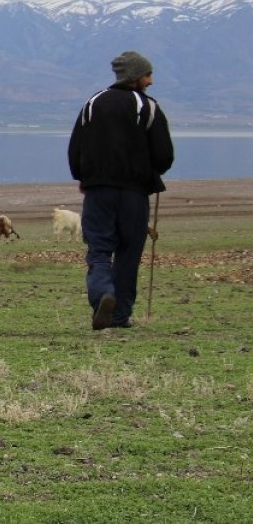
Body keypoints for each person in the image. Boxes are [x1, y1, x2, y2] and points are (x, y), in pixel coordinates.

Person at [68, 51, 174, 330]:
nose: (151, 81)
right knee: (129, 251)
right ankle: (119, 315)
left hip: (98, 192)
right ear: (136, 77)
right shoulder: (148, 107)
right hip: (134, 195)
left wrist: (84, 177)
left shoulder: (93, 103)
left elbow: (75, 148)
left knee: (99, 250)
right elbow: (164, 155)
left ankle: (103, 292)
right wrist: (152, 171)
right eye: (147, 75)